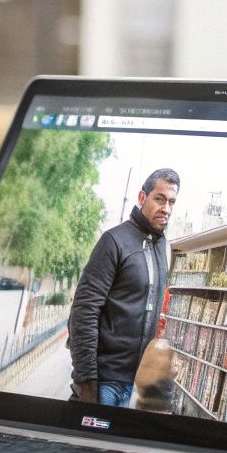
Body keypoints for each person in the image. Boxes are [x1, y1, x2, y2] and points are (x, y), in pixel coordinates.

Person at [69, 168, 180, 407]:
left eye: (171, 202)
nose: (166, 208)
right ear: (142, 197)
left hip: (138, 386)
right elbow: (84, 312)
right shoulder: (113, 241)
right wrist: (87, 382)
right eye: (159, 199)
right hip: (105, 383)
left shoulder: (163, 248)